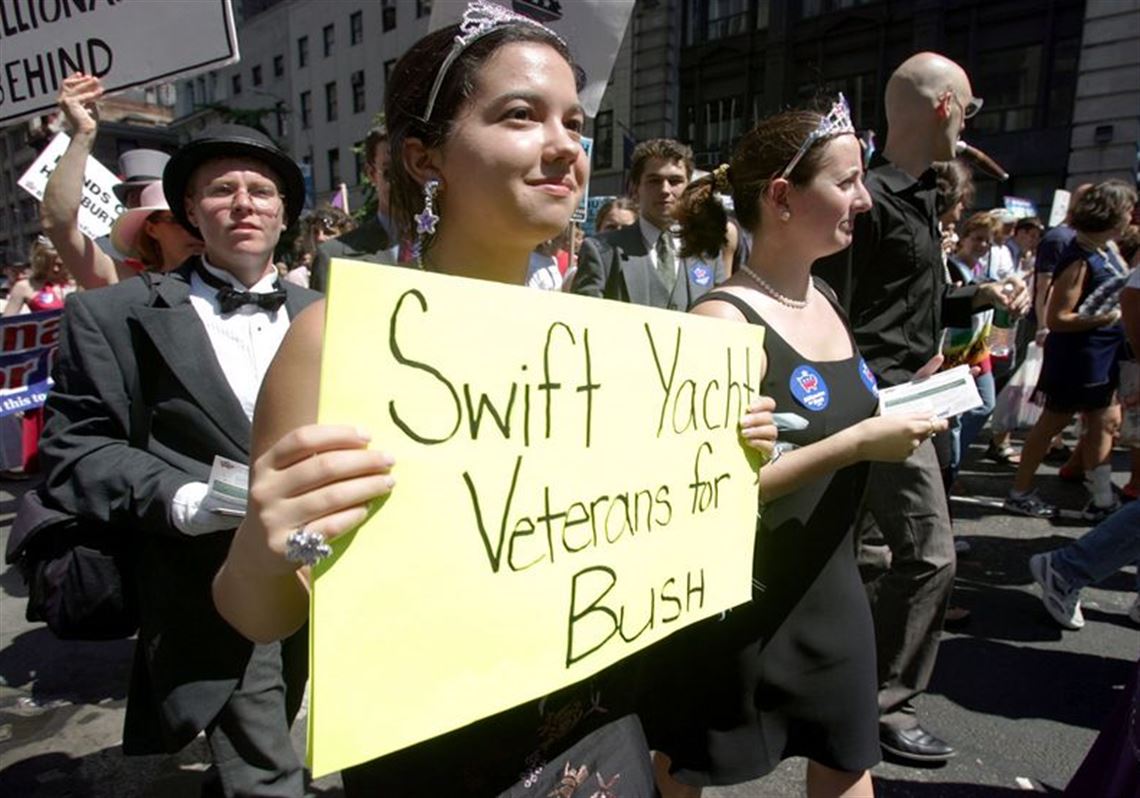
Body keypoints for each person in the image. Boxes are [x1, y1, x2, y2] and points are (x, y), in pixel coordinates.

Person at [213, 6, 772, 795]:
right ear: (425, 157)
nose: (565, 146)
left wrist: (720, 456)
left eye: (575, 122)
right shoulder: (334, 342)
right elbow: (260, 615)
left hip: (607, 736)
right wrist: (263, 546)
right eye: (520, 115)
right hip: (443, 760)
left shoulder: (610, 345)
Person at [647, 96, 948, 798]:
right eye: (846, 182)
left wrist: (904, 401)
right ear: (782, 198)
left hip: (829, 584)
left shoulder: (826, 299)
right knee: (687, 763)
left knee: (847, 756)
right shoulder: (722, 322)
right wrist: (857, 443)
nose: (864, 200)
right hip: (740, 602)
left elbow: (833, 414)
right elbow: (708, 492)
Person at [39, 124, 318, 797]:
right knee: (267, 772)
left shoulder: (329, 312)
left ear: (284, 213)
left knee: (275, 728)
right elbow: (77, 450)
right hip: (210, 580)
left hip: (323, 576)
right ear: (190, 210)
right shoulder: (113, 316)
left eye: (261, 191)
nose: (243, 203)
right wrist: (189, 502)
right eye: (221, 190)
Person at [812, 52, 1028, 764]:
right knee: (930, 556)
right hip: (883, 401)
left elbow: (905, 301)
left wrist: (974, 298)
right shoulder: (868, 197)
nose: (969, 124)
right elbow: (833, 306)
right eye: (968, 108)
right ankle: (884, 703)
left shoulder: (923, 197)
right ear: (945, 107)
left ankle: (858, 693)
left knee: (875, 554)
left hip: (916, 396)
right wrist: (871, 392)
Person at [1004, 180, 1136, 521]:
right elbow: (1058, 317)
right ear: (1110, 214)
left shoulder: (1105, 249)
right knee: (1052, 424)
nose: (1130, 216)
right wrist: (1106, 317)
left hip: (1101, 356)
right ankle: (1020, 492)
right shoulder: (1080, 258)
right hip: (1078, 358)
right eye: (1126, 210)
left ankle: (1102, 499)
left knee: (1105, 421)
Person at [40, 72, 176, 288]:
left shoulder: (231, 270)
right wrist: (84, 133)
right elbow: (59, 226)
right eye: (173, 220)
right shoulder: (137, 284)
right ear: (152, 228)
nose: (191, 230)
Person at [573, 138, 720, 310]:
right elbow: (585, 318)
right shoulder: (602, 252)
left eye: (675, 181)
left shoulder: (709, 252)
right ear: (635, 188)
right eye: (654, 181)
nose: (665, 190)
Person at [310, 125, 396, 292]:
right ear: (371, 174)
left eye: (411, 168)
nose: (403, 181)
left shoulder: (449, 246)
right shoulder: (333, 257)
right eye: (390, 172)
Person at [107, 181, 205, 271]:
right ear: (151, 230)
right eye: (176, 220)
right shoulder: (137, 283)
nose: (193, 228)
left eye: (201, 218)